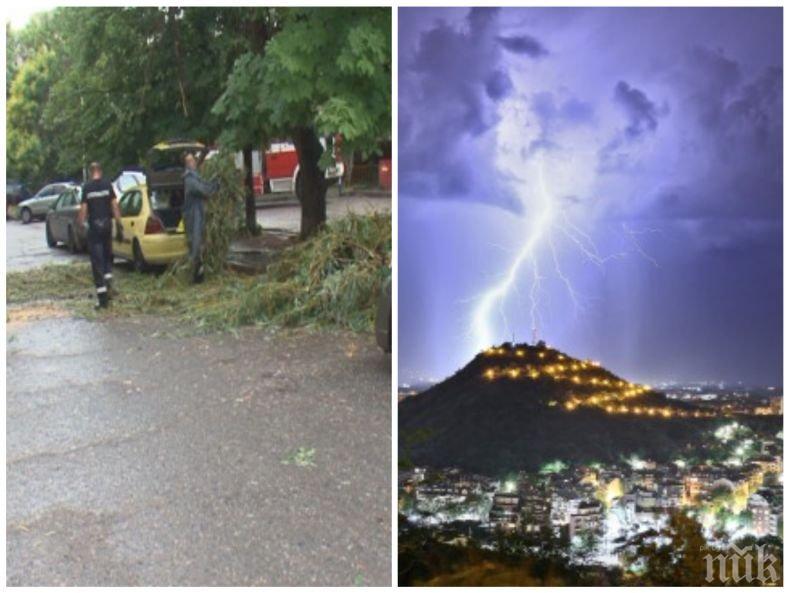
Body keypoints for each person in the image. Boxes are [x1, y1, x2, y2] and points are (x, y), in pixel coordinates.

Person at [77, 162, 124, 308]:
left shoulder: (87, 188)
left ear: (91, 172)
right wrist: (119, 223)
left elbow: (84, 210)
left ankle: (103, 300)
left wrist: (80, 224)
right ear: (100, 171)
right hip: (107, 227)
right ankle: (109, 282)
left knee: (97, 262)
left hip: (95, 228)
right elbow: (115, 206)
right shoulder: (107, 185)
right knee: (107, 256)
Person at [182, 153, 218, 284]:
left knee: (199, 244)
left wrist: (214, 182)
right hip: (193, 216)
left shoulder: (195, 176)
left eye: (194, 160)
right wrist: (214, 186)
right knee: (195, 245)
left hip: (198, 214)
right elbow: (203, 190)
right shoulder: (189, 179)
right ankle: (193, 276)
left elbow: (204, 184)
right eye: (190, 161)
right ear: (187, 164)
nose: (193, 163)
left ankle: (199, 275)